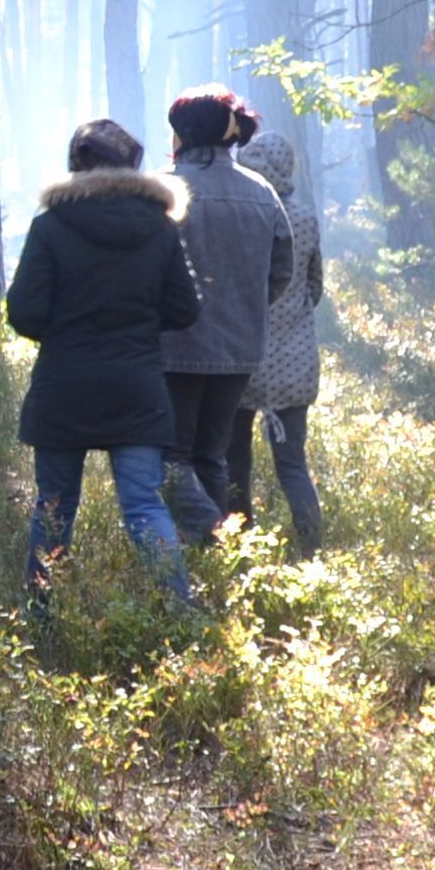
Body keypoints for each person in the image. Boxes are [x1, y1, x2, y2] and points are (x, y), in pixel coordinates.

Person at [5, 118, 203, 609]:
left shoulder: (50, 226)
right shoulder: (159, 227)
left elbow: (24, 311)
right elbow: (185, 308)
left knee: (54, 507)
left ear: (75, 165)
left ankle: (41, 617)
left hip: (64, 384)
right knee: (143, 504)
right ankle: (180, 612)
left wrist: (64, 333)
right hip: (136, 384)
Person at [156, 88, 292, 540]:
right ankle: (217, 564)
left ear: (184, 133)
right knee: (211, 456)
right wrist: (241, 308)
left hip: (174, 347)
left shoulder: (163, 189)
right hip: (239, 349)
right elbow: (281, 273)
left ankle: (207, 542)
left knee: (170, 458)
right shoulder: (263, 192)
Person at [240, 132, 331, 554]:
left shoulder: (242, 213)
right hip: (294, 359)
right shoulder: (305, 217)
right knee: (292, 463)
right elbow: (314, 287)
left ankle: (236, 543)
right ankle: (311, 548)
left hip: (239, 357)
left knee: (232, 459)